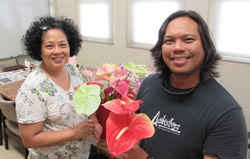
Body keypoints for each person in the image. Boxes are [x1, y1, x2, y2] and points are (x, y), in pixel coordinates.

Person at [121, 10, 248, 159]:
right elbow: (135, 135)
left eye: (188, 39)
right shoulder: (149, 85)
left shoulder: (226, 112)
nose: (177, 47)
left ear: (205, 47)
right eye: (169, 41)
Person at [15, 16, 102, 159]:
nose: (57, 51)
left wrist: (94, 120)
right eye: (49, 46)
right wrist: (75, 133)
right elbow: (29, 139)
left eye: (62, 45)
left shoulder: (73, 71)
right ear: (39, 50)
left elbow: (86, 102)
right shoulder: (33, 88)